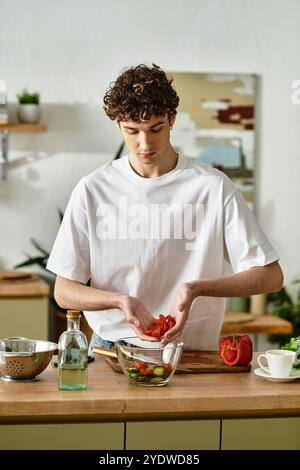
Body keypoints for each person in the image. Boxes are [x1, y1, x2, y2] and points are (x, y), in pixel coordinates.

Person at [46, 63, 283, 354]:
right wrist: (119, 300)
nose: (144, 143)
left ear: (172, 118)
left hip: (191, 353)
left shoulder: (211, 187)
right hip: (110, 349)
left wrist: (196, 288)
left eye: (155, 128)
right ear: (118, 124)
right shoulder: (92, 189)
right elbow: (64, 290)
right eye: (131, 131)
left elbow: (270, 275)